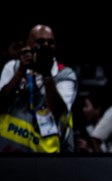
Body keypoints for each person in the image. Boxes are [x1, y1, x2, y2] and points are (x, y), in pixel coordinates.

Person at [0, 24, 77, 153]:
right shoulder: (13, 67)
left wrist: (47, 74)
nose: (46, 45)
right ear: (29, 44)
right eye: (40, 41)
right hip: (9, 152)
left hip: (45, 155)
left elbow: (59, 112)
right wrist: (20, 73)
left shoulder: (65, 75)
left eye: (50, 42)